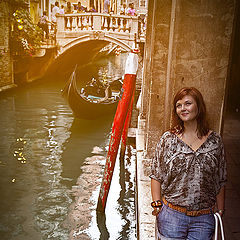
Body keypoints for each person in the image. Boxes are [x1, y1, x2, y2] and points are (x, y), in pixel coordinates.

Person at [150, 87, 227, 240]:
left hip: (204, 218)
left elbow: (220, 178)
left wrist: (220, 210)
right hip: (172, 215)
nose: (183, 108)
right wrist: (157, 206)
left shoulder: (215, 141)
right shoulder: (168, 139)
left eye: (188, 103)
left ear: (199, 106)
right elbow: (156, 174)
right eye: (179, 105)